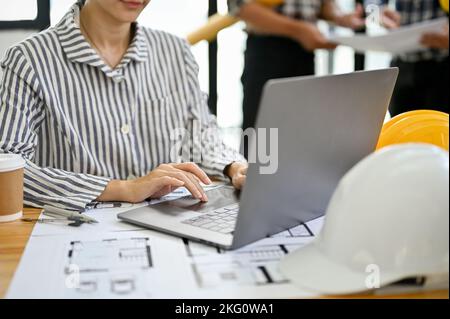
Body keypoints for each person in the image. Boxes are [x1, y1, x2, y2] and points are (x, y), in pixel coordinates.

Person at [0, 0, 248, 211]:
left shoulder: (175, 52)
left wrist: (234, 167)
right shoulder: (29, 60)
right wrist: (124, 188)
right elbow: (6, 169)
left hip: (168, 223)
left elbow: (200, 138)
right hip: (75, 234)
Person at [228, 0, 367, 131]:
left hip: (305, 54)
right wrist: (299, 30)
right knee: (262, 145)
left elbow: (322, 4)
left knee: (300, 136)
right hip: (267, 52)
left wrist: (341, 17)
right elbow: (240, 5)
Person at [382, 0, 449, 116]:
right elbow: (372, 4)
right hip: (401, 66)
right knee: (400, 129)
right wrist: (378, 13)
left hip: (442, 67)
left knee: (439, 128)